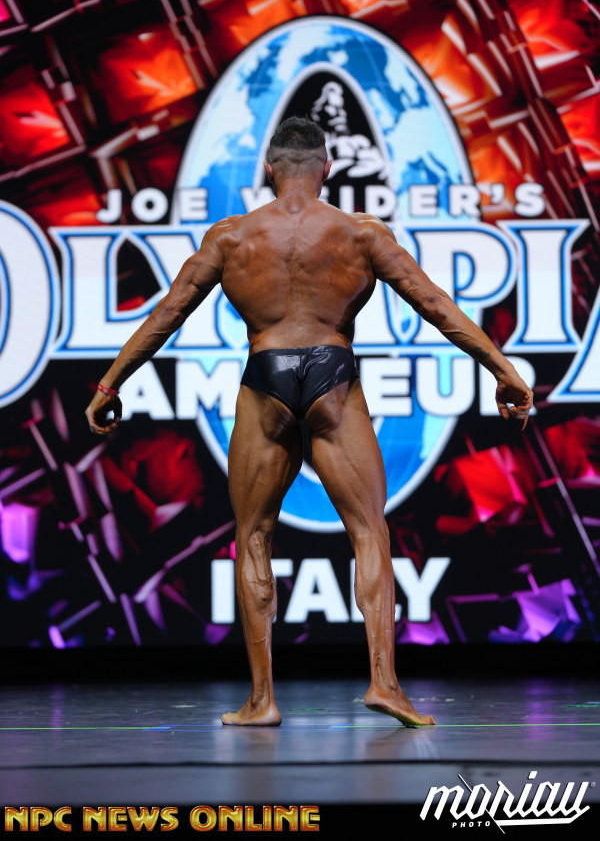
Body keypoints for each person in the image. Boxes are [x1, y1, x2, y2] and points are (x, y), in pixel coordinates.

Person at [85, 116, 533, 728]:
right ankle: (385, 684)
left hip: (265, 376)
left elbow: (167, 315)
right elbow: (434, 304)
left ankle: (261, 701)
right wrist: (503, 369)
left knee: (253, 536)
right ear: (327, 167)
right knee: (369, 532)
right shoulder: (361, 233)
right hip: (333, 375)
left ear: (270, 169)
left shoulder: (231, 237)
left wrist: (109, 384)